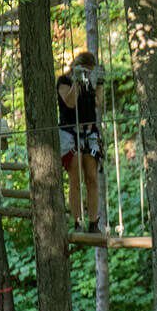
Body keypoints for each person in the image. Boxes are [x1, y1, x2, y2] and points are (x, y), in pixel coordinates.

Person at [56, 51, 104, 232]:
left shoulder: (90, 83)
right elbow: (69, 103)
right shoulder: (64, 81)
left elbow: (98, 102)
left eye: (91, 71)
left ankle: (93, 222)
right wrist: (76, 81)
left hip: (89, 133)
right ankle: (77, 222)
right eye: (86, 70)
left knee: (92, 178)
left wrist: (99, 83)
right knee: (75, 179)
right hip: (70, 133)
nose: (88, 74)